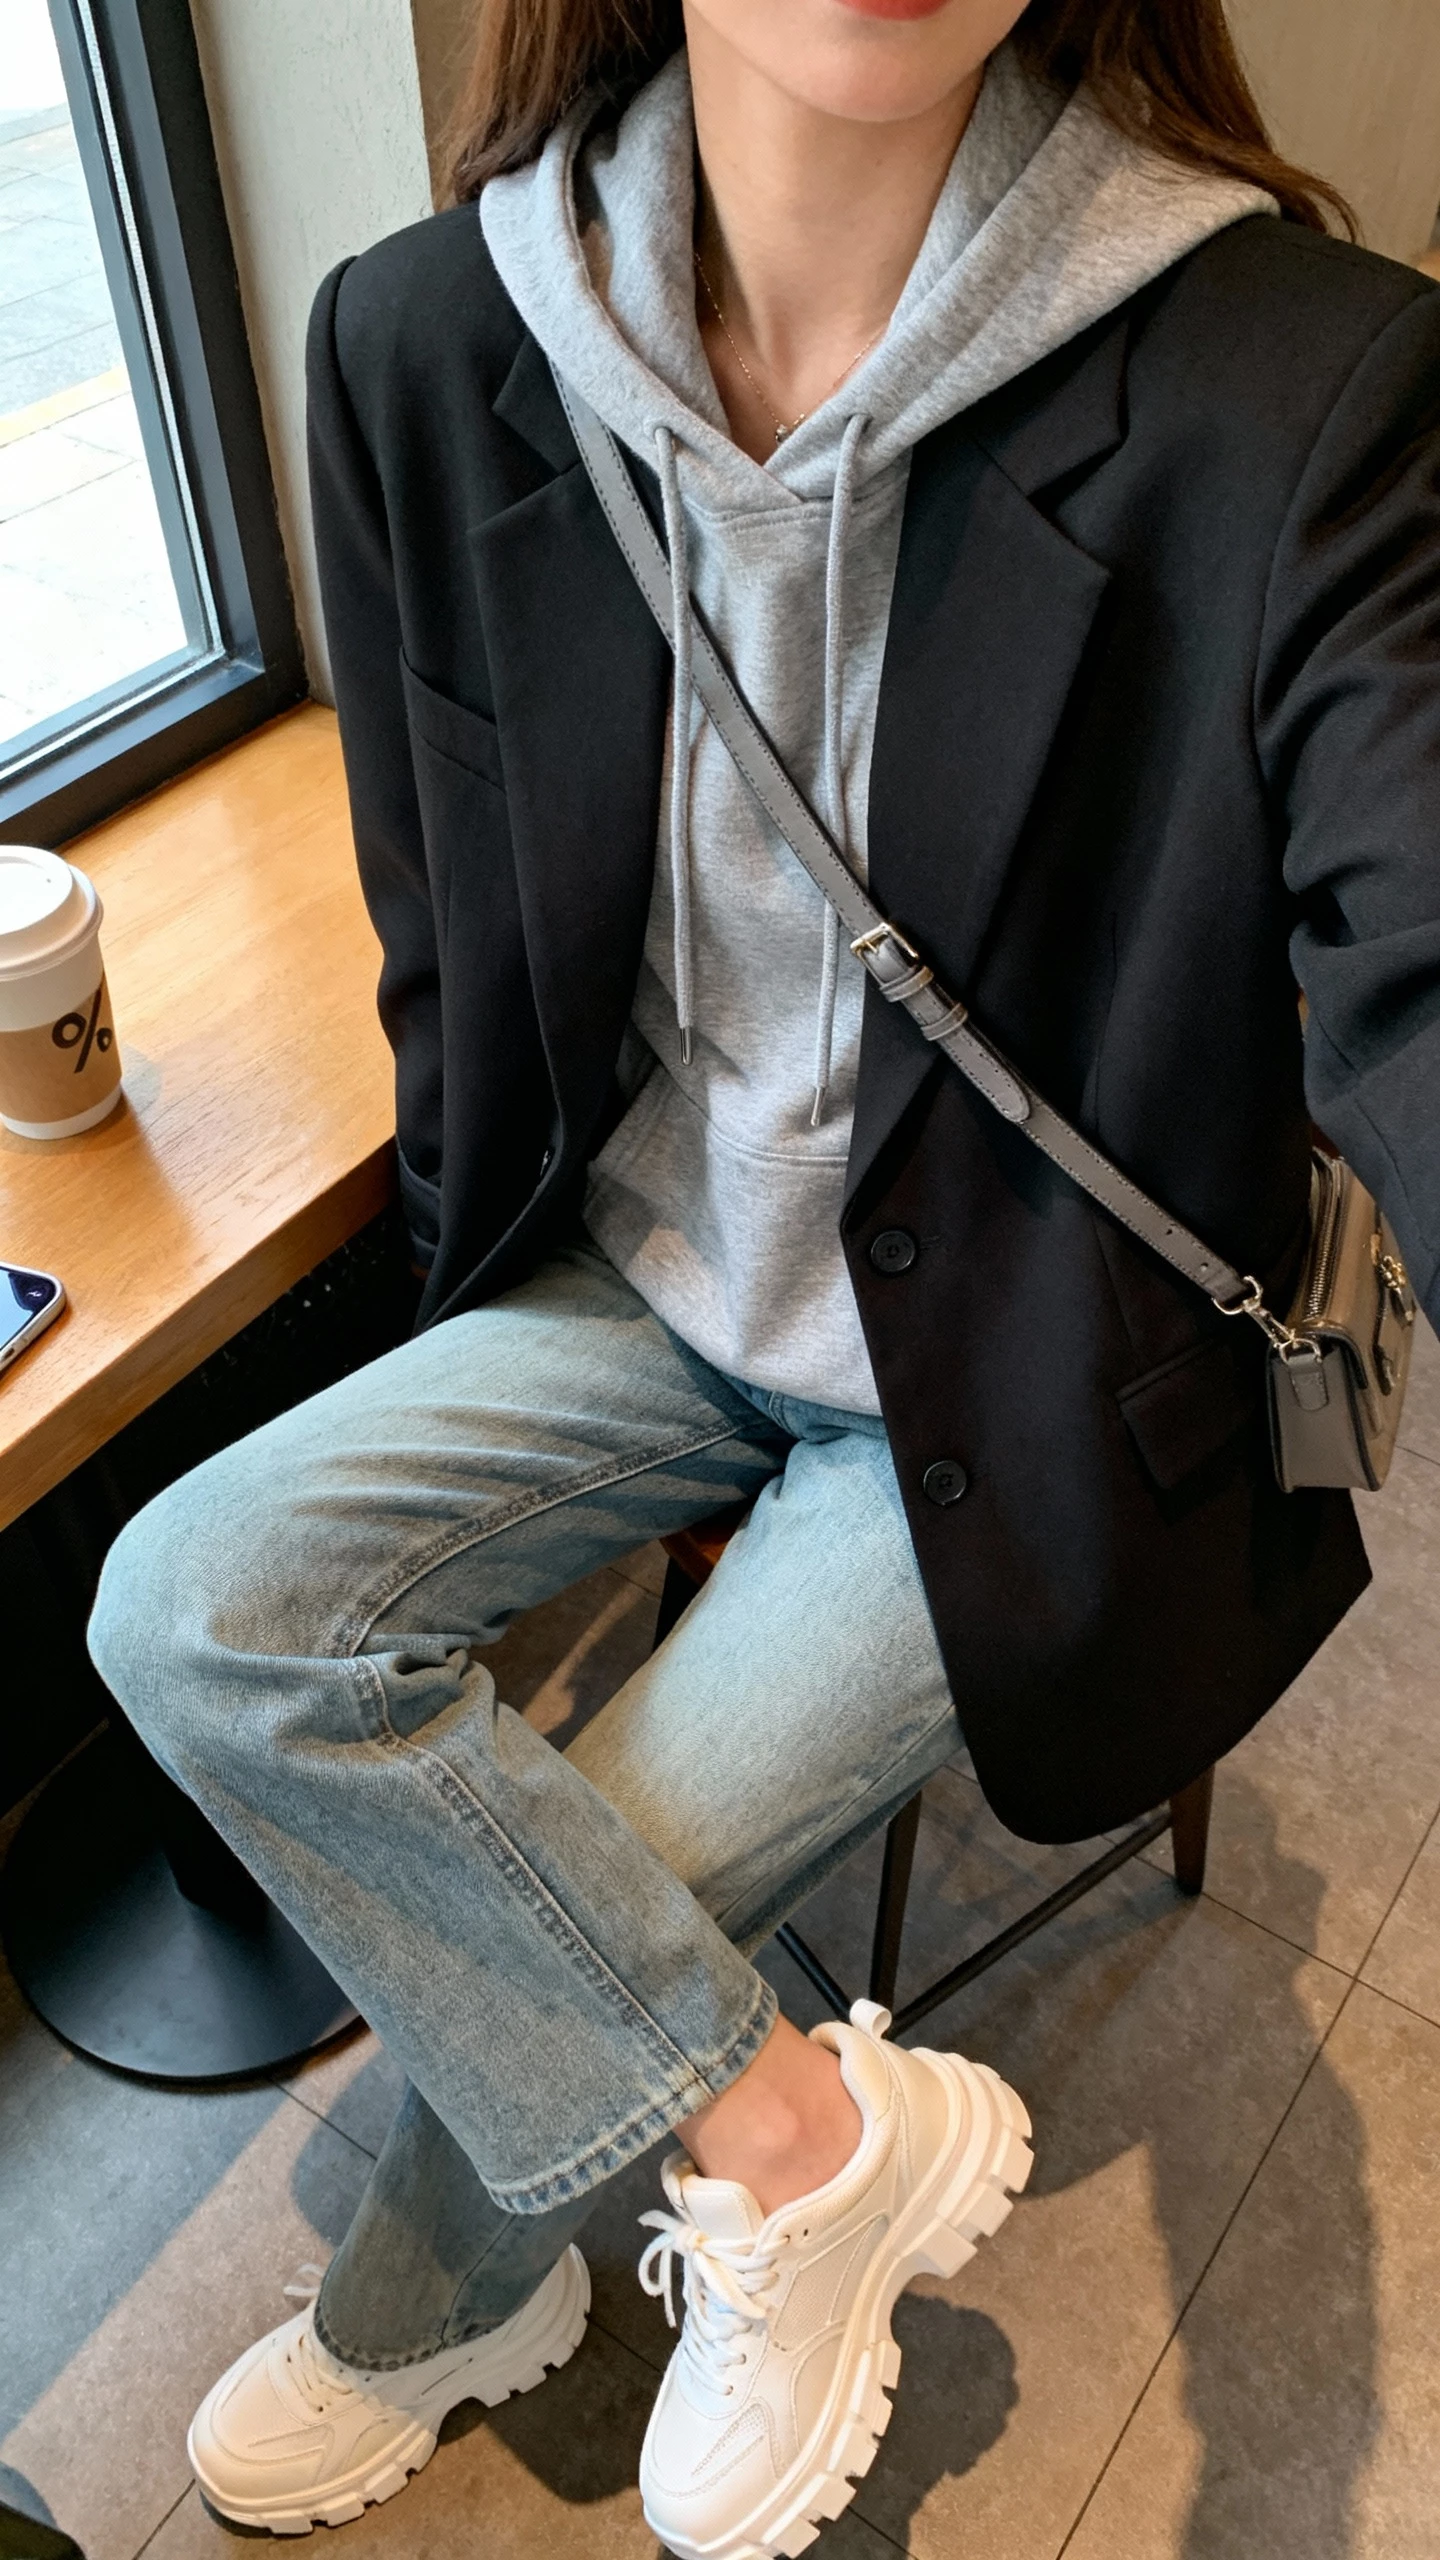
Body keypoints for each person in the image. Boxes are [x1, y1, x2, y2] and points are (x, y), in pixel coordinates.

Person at [89, 0, 1440, 2547]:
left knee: (604, 1842)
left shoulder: (1300, 380)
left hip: (1015, 1361)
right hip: (628, 1275)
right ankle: (799, 2136)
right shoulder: (421, 339)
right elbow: (438, 932)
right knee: (178, 1604)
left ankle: (437, 2292)